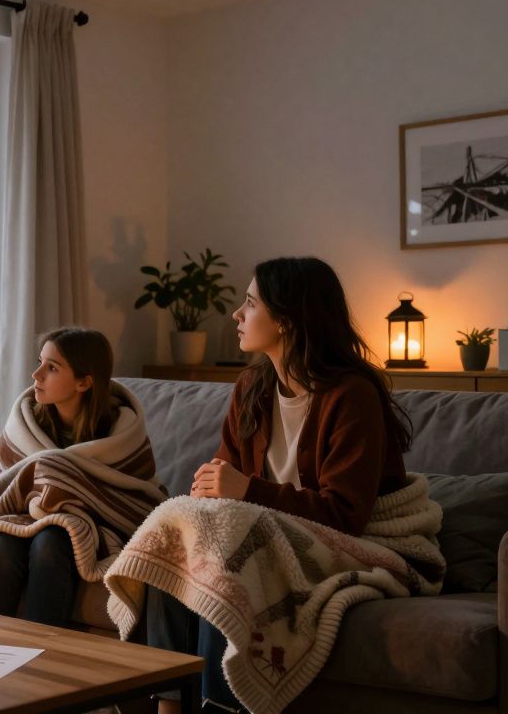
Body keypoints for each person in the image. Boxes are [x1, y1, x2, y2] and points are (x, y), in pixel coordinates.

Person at [148, 256, 413, 714]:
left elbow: (346, 515)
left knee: (223, 565)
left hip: (337, 539)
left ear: (286, 321)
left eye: (250, 303)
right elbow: (225, 487)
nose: (237, 314)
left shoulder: (352, 396)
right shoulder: (251, 387)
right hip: (265, 533)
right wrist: (209, 491)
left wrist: (245, 491)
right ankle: (168, 708)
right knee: (172, 541)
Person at [0, 327, 163, 628]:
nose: (36, 375)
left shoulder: (122, 431)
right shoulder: (26, 422)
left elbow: (134, 500)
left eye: (52, 367)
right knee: (2, 541)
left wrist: (59, 483)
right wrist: (48, 482)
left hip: (90, 527)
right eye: (40, 362)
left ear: (84, 382)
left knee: (50, 542)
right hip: (23, 516)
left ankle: (44, 656)